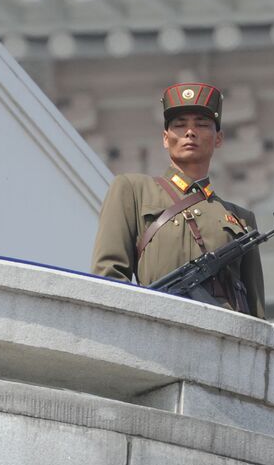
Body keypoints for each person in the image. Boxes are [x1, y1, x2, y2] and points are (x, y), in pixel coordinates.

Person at [91, 82, 265, 318]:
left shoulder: (241, 218)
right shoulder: (133, 190)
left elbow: (256, 310)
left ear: (219, 138)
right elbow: (108, 276)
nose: (190, 132)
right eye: (179, 126)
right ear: (165, 138)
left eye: (202, 125)